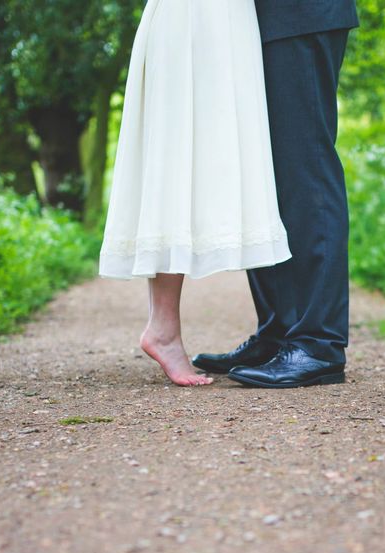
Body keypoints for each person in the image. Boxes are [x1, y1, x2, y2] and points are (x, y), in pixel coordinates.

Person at [99, 0, 291, 387]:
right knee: (177, 157)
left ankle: (164, 327)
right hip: (197, 18)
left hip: (222, 18)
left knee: (191, 157)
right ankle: (163, 329)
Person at [193, 0, 359, 389]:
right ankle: (279, 332)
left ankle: (318, 344)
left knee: (306, 167)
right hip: (258, 22)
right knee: (263, 176)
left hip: (299, 15)